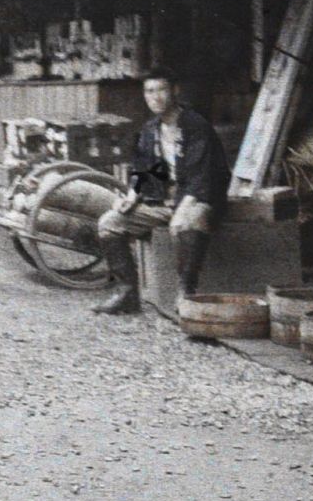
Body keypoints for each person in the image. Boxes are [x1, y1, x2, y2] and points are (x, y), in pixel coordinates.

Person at [92, 67, 231, 315]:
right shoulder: (150, 128)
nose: (155, 97)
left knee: (186, 223)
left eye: (162, 90)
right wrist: (131, 197)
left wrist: (183, 209)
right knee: (109, 223)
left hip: (198, 199)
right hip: (162, 201)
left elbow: (203, 176)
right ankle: (127, 293)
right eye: (149, 91)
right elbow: (144, 168)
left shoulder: (195, 126)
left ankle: (187, 292)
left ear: (174, 91)